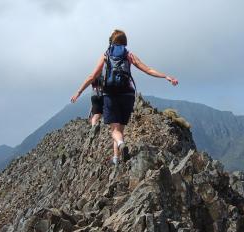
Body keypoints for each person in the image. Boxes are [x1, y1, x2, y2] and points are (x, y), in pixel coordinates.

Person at [71, 29, 178, 165]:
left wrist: (79, 92)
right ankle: (116, 158)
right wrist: (166, 76)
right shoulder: (129, 55)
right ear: (124, 41)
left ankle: (121, 144)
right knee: (120, 129)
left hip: (111, 94)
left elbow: (93, 76)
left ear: (112, 41)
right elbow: (148, 70)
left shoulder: (106, 55)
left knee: (114, 130)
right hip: (128, 95)